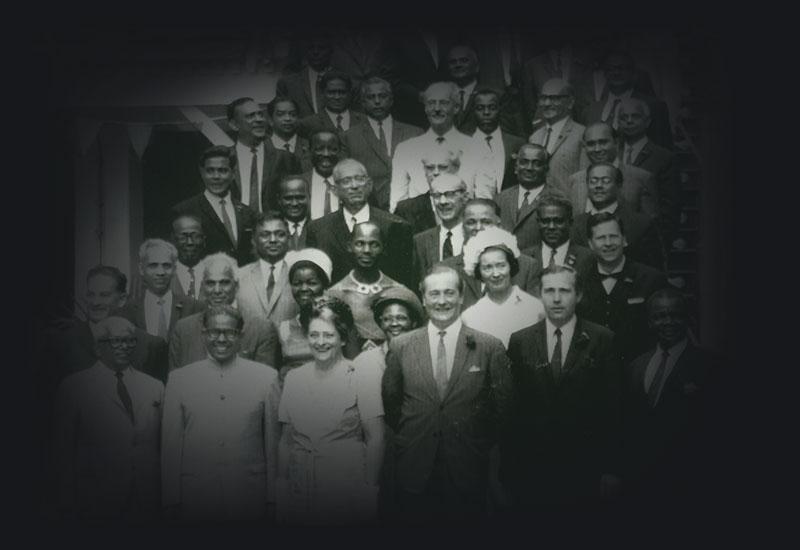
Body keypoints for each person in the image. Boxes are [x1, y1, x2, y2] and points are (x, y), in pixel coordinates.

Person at [382, 264, 512, 523]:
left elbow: (503, 411)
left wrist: (474, 443)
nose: (442, 301)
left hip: (467, 468)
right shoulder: (401, 346)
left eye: (450, 293)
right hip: (415, 467)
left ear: (462, 297)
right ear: (423, 299)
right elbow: (393, 406)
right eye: (435, 294)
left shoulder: (489, 347)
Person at [503, 265, 620, 512]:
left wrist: (611, 468)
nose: (556, 299)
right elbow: (512, 410)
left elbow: (613, 407)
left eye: (564, 291)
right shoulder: (520, 341)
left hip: (584, 466)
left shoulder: (602, 339)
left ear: (578, 295)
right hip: (532, 467)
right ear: (539, 295)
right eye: (549, 291)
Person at [161, 305, 281, 521]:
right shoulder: (180, 379)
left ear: (241, 335)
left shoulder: (266, 378)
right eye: (214, 332)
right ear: (204, 333)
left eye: (230, 332)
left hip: (249, 493)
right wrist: (171, 499)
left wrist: (272, 498)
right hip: (196, 494)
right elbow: (170, 446)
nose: (221, 339)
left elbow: (272, 445)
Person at [277, 297, 385, 525]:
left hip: (345, 490)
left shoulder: (360, 376)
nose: (320, 342)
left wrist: (369, 492)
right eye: (314, 335)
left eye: (329, 335)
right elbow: (286, 441)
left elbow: (376, 438)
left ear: (343, 338)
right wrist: (282, 488)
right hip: (300, 489)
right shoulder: (294, 379)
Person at [53, 317, 163, 520]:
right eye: (116, 341)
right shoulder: (74, 387)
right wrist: (66, 502)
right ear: (98, 347)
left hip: (147, 499)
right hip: (95, 500)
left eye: (130, 341)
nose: (125, 347)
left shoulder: (155, 387)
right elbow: (62, 452)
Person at [623, 288, 721, 509]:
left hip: (691, 485)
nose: (668, 322)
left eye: (675, 315)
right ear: (649, 322)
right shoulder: (635, 367)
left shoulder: (710, 366)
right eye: (660, 316)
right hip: (640, 486)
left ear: (687, 318)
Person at [47, 265, 168, 383]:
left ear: (122, 299)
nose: (95, 302)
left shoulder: (151, 346)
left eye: (104, 295)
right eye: (91, 295)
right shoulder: (62, 343)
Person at [306, 158, 414, 288]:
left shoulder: (395, 226)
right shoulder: (318, 230)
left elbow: (403, 280)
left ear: (369, 185)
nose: (354, 186)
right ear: (334, 190)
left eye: (360, 179)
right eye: (346, 181)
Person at [578, 212, 667, 363]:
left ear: (624, 240)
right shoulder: (579, 280)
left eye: (613, 236)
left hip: (637, 368)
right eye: (601, 238)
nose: (608, 243)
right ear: (590, 244)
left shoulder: (651, 279)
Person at [169, 252, 279, 371]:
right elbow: (176, 382)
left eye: (224, 283)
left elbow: (264, 381)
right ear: (202, 287)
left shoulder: (261, 329)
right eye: (210, 283)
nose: (217, 290)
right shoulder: (183, 329)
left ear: (236, 286)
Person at [342, 76, 424, 211]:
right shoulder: (349, 137)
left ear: (391, 100)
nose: (377, 101)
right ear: (362, 102)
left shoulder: (415, 133)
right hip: (369, 210)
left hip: (411, 209)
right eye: (371, 97)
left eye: (382, 96)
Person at [389, 81, 473, 212]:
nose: (437, 109)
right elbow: (397, 203)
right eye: (431, 103)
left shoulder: (476, 147)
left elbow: (484, 198)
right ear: (425, 108)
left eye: (444, 103)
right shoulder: (405, 149)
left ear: (456, 107)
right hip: (419, 226)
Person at [328, 221, 412, 350]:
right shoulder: (334, 295)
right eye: (360, 244)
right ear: (349, 246)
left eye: (374, 244)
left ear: (383, 248)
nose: (367, 250)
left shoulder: (400, 292)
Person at [444, 198, 541, 308]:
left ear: (498, 225)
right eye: (471, 222)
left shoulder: (528, 267)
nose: (478, 228)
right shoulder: (446, 269)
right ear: (462, 228)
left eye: (486, 222)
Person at [171, 146, 257, 266]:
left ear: (233, 174)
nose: (216, 177)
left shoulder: (247, 213)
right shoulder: (185, 211)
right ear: (202, 173)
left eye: (222, 170)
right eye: (210, 171)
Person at [570, 162, 666, 270]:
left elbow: (654, 271)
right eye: (593, 181)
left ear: (619, 185)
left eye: (605, 181)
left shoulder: (641, 224)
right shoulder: (574, 224)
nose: (598, 186)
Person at [461, 226, 545, 347]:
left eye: (501, 265)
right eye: (487, 267)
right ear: (479, 272)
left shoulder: (535, 308)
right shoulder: (470, 316)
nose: (496, 274)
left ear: (511, 266)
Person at [617, 97, 680, 245]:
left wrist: (660, 241)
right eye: (623, 117)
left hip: (648, 239)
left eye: (635, 116)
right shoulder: (612, 154)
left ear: (647, 121)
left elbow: (670, 207)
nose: (629, 121)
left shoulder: (663, 158)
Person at [115, 239, 202, 343]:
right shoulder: (126, 311)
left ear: (174, 270)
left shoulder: (194, 308)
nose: (160, 272)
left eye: (166, 266)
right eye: (153, 265)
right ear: (141, 269)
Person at [582, 51, 673, 149]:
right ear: (605, 74)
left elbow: (664, 151)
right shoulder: (590, 110)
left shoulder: (654, 106)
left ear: (633, 73)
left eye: (622, 68)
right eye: (611, 69)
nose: (616, 73)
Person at [568, 122, 658, 219]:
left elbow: (650, 227)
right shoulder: (575, 180)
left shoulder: (642, 179)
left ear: (616, 142)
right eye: (591, 144)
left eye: (603, 142)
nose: (597, 149)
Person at [226, 97, 300, 214]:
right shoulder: (224, 159)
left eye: (260, 115)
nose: (259, 120)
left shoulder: (286, 159)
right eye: (251, 116)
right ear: (234, 125)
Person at [237, 211, 299, 327]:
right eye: (265, 235)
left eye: (280, 234)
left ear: (289, 240)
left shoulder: (298, 276)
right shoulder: (239, 277)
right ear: (253, 240)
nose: (273, 240)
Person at [529, 78, 587, 194]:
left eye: (554, 98)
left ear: (570, 102)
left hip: (569, 207)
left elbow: (584, 181)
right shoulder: (534, 137)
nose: (547, 104)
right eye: (543, 98)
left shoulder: (582, 134)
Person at [465, 87, 526, 198]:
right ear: (473, 111)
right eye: (480, 108)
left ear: (500, 109)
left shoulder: (517, 144)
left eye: (492, 108)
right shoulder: (463, 143)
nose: (486, 112)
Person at [496, 143, 559, 250]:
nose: (529, 168)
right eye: (524, 162)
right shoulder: (500, 199)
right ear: (516, 167)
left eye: (537, 163)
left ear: (546, 169)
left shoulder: (557, 200)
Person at [522, 193, 594, 282]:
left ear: (570, 222)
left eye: (558, 221)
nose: (551, 227)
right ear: (538, 222)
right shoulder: (524, 258)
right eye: (545, 221)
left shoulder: (588, 258)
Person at [412, 173, 468, 285]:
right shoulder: (421, 241)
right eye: (437, 195)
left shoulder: (476, 237)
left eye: (450, 194)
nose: (443, 201)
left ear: (465, 197)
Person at [394, 148, 461, 235]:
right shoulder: (405, 210)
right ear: (425, 171)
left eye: (443, 167)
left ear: (456, 170)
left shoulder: (469, 207)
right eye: (430, 168)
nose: (436, 172)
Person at [276, 33, 334, 118]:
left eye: (321, 48)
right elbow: (281, 116)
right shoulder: (287, 84)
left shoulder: (349, 83)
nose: (315, 52)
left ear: (331, 51)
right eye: (311, 48)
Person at [297, 71, 366, 138]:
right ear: (322, 94)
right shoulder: (308, 124)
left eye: (342, 92)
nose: (337, 97)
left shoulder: (364, 121)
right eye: (331, 92)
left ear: (349, 94)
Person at [302, 131, 342, 220]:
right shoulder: (300, 183)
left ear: (340, 152)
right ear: (309, 151)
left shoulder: (350, 183)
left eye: (333, 149)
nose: (326, 154)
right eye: (319, 149)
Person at [266, 97, 312, 172]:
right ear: (270, 120)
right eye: (280, 115)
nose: (288, 118)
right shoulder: (263, 147)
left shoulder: (310, 145)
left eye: (293, 114)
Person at [170, 215, 206, 299]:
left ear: (204, 240)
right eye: (182, 237)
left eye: (195, 236)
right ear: (172, 240)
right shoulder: (160, 277)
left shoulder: (217, 275)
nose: (190, 242)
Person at [276, 175, 310, 250]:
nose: (294, 203)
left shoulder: (319, 230)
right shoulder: (271, 232)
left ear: (309, 197)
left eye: (300, 197)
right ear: (279, 200)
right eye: (288, 198)